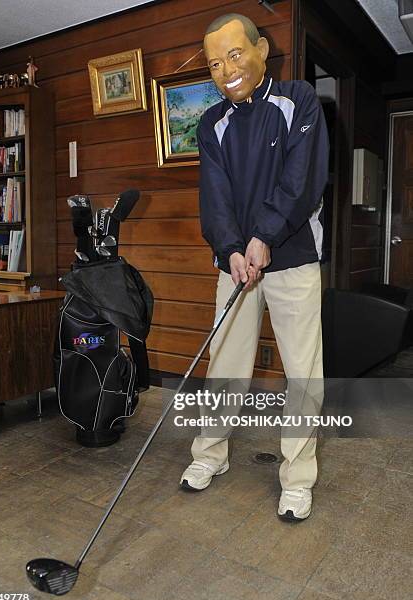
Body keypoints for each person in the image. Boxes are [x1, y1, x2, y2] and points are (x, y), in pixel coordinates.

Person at [179, 13, 329, 521]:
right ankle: (210, 456)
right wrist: (231, 249)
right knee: (225, 364)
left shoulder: (298, 101)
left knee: (303, 373)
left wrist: (264, 236)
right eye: (215, 64)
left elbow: (301, 180)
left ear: (261, 49)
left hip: (292, 257)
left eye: (235, 54)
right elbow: (214, 197)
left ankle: (298, 477)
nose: (226, 70)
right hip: (238, 263)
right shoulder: (211, 123)